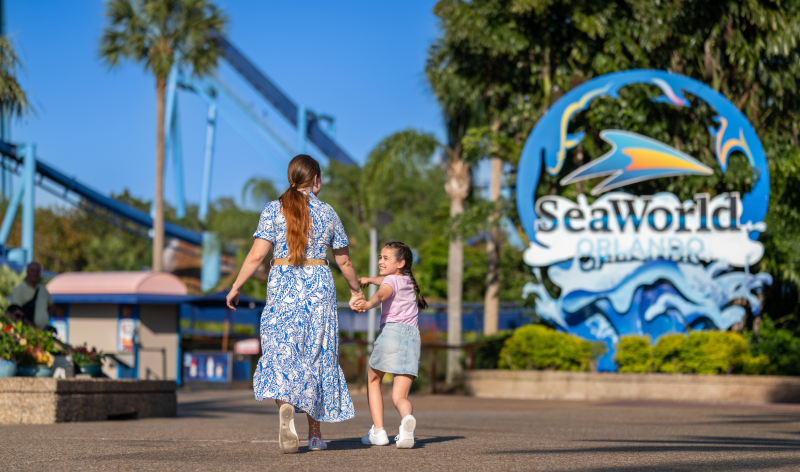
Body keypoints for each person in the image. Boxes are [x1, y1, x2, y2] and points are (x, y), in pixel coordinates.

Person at [226, 154, 364, 454]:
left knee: (282, 353)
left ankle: (285, 405)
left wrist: (236, 286)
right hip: (318, 290)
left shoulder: (273, 210)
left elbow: (255, 256)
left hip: (283, 287)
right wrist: (356, 291)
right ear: (316, 180)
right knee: (318, 355)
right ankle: (315, 435)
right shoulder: (328, 213)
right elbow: (345, 261)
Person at [356, 241, 427, 449]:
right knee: (399, 396)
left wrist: (369, 303)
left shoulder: (390, 282)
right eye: (380, 257)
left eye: (386, 258)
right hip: (412, 338)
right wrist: (370, 279)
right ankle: (406, 423)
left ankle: (378, 432)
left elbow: (382, 293)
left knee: (373, 381)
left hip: (392, 333)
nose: (380, 261)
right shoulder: (406, 281)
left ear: (400, 263)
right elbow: (386, 281)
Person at [11, 262, 54, 328]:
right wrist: (31, 325)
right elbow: (16, 312)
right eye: (32, 270)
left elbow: (51, 306)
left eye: (37, 271)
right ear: (27, 272)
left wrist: (46, 319)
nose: (35, 273)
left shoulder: (43, 290)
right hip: (27, 332)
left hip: (42, 332)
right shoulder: (19, 290)